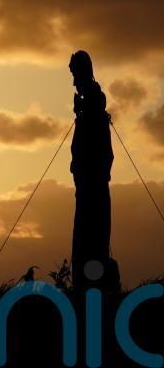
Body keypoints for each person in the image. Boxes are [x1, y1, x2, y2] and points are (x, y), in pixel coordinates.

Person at [69, 50, 120, 292]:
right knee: (87, 243)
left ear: (83, 73)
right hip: (88, 188)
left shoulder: (94, 105)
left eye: (75, 74)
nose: (73, 81)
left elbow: (99, 152)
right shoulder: (91, 106)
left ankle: (93, 292)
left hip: (93, 189)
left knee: (90, 243)